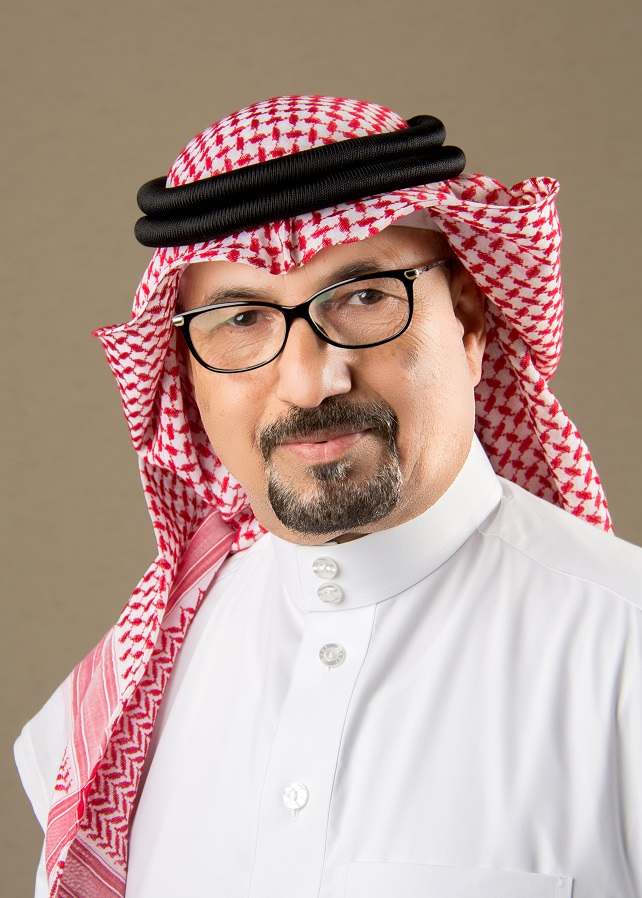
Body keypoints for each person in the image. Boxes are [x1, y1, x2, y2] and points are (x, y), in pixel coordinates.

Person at [15, 95, 642, 898]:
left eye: (365, 298)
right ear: (187, 374)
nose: (311, 382)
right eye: (241, 318)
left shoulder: (623, 657)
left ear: (469, 323)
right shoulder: (112, 718)